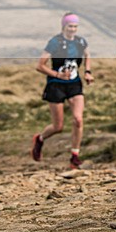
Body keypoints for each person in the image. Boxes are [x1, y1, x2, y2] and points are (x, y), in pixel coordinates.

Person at [31, 12, 93, 169]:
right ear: (64, 26)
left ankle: (75, 156)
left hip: (74, 84)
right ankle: (40, 139)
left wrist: (87, 72)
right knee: (58, 127)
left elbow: (87, 54)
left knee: (78, 119)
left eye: (75, 26)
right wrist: (57, 74)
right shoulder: (55, 42)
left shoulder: (80, 41)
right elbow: (40, 65)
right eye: (70, 26)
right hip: (55, 85)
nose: (73, 29)